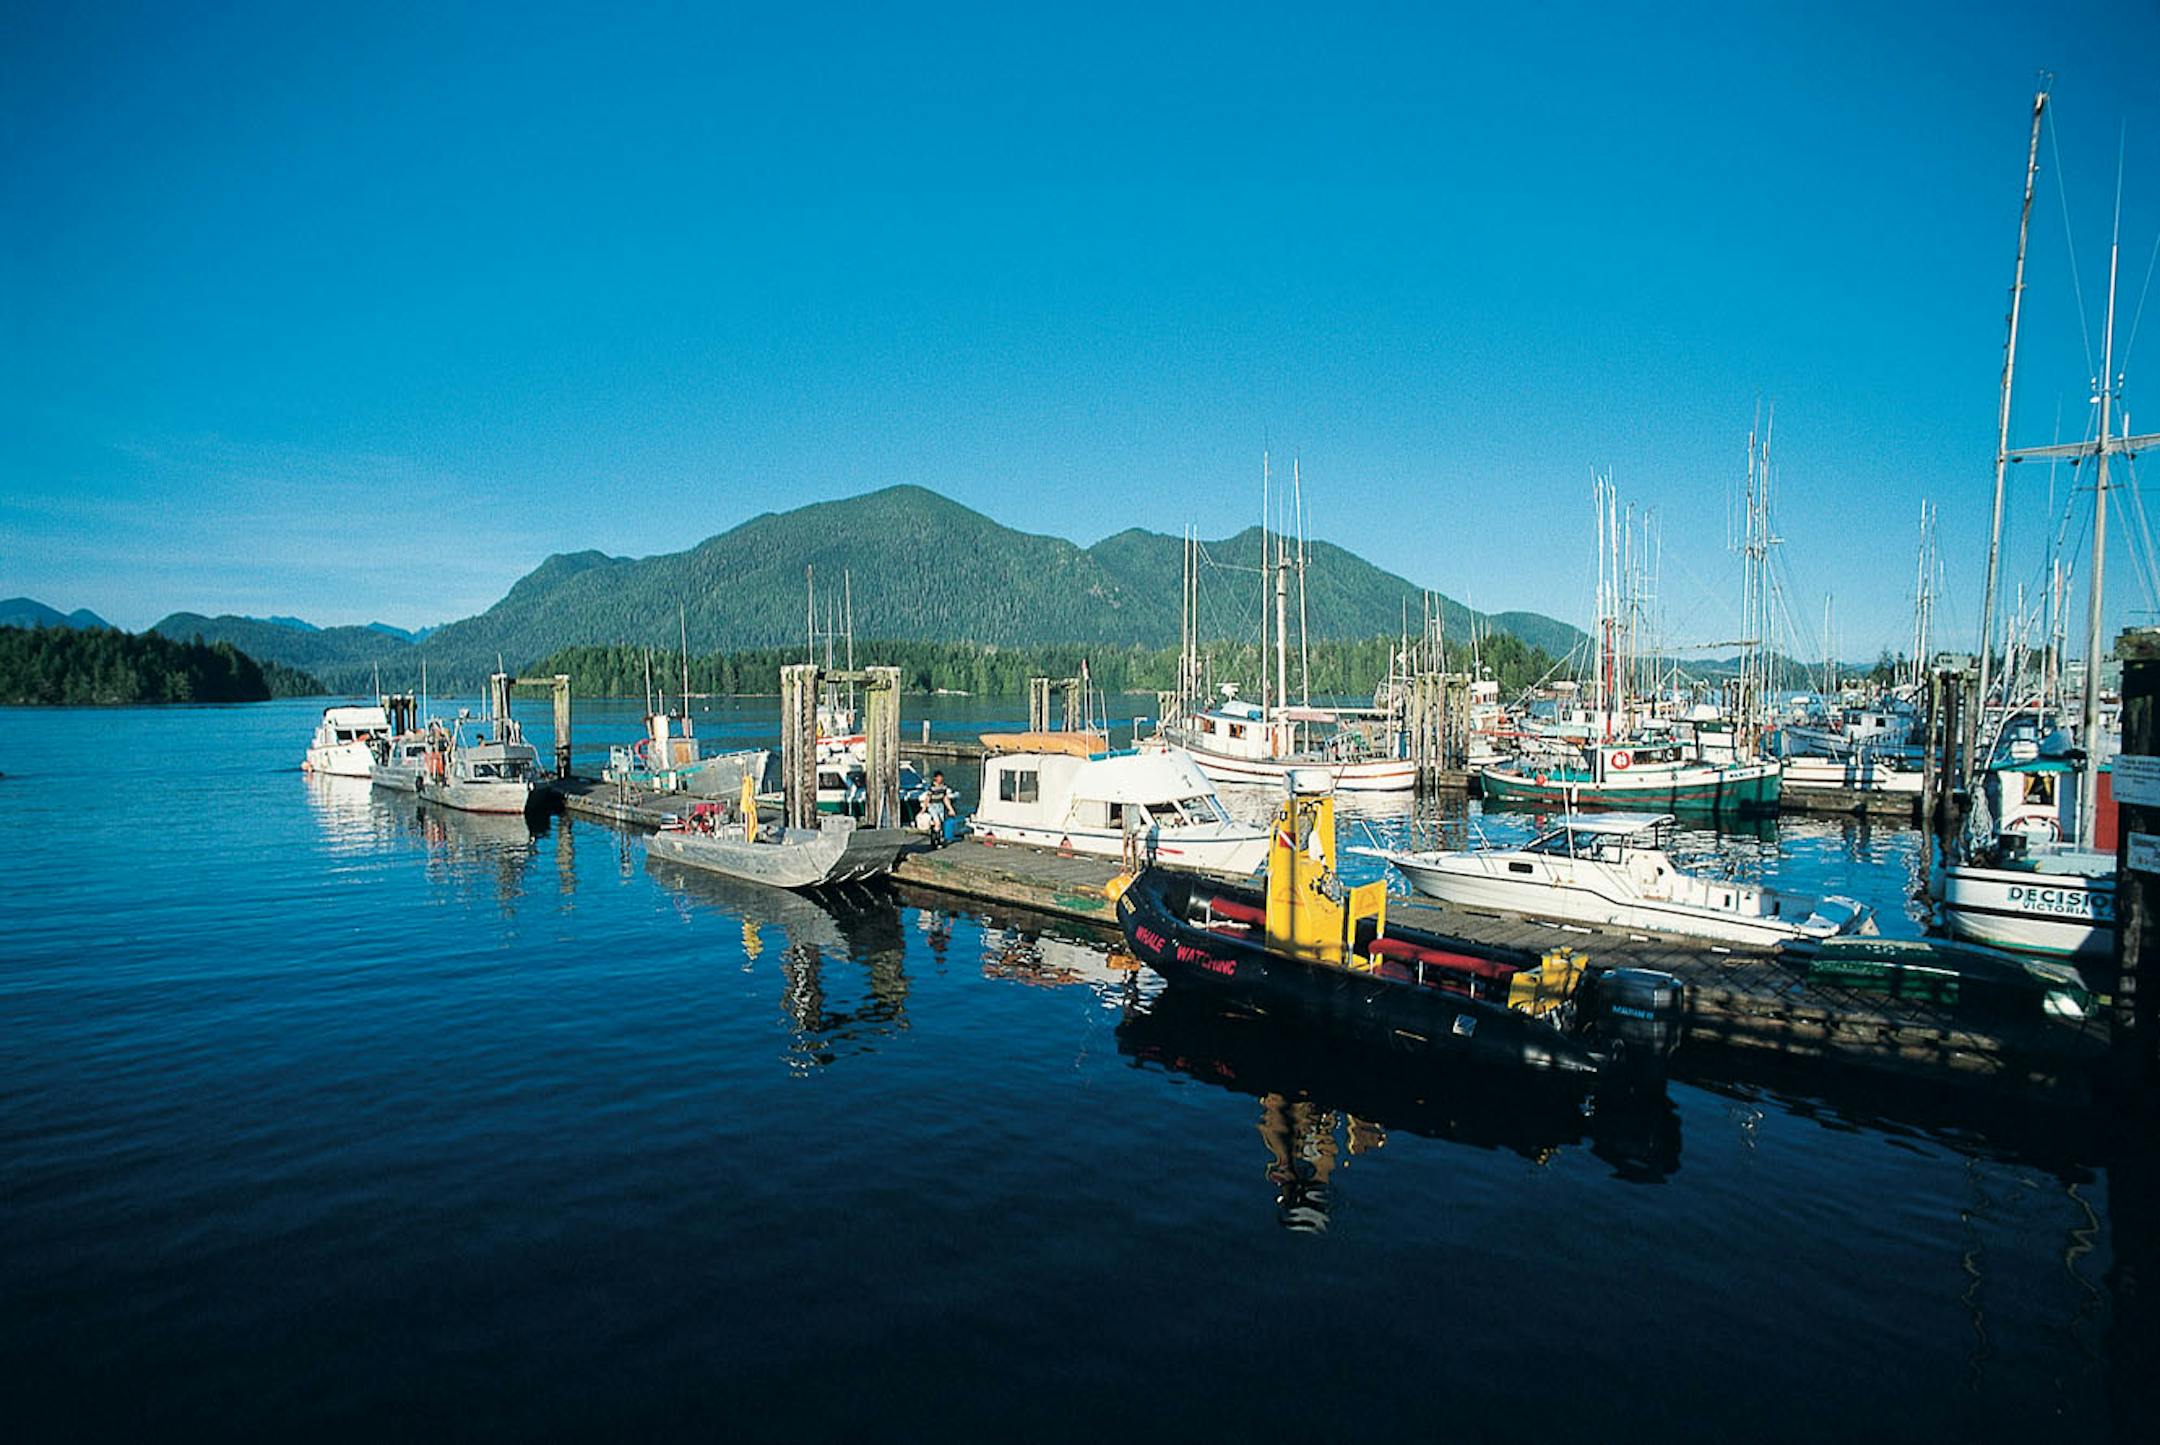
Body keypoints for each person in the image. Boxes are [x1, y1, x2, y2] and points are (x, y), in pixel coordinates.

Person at [920, 769, 956, 844]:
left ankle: (934, 837)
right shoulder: (932, 788)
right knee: (937, 822)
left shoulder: (944, 787)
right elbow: (928, 798)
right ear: (935, 778)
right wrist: (924, 809)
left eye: (941, 777)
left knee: (940, 823)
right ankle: (937, 841)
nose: (941, 779)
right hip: (932, 806)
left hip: (940, 806)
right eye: (939, 777)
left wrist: (950, 809)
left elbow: (945, 798)